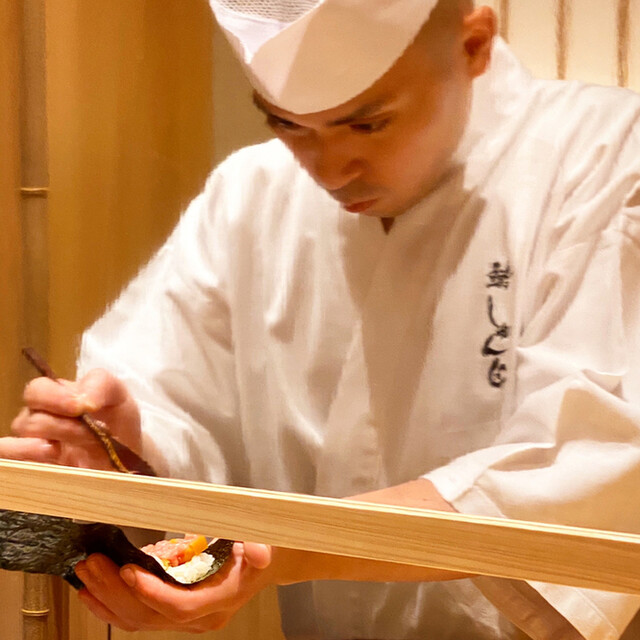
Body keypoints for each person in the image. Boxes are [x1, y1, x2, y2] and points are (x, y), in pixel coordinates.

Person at [3, 0, 640, 637]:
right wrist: (126, 448)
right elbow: (169, 398)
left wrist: (286, 548)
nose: (330, 170)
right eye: (288, 124)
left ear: (471, 46)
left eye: (369, 124)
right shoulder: (251, 191)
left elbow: (596, 461)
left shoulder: (606, 155)